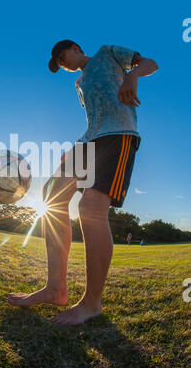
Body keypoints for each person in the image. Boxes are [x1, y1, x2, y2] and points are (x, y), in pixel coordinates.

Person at [8, 40, 158, 325]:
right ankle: (55, 289)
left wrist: (132, 75)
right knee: (52, 194)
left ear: (74, 48)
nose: (61, 64)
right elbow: (94, 116)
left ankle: (91, 304)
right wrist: (78, 147)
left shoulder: (107, 53)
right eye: (58, 63)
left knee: (91, 206)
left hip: (119, 134)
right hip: (89, 140)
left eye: (61, 57)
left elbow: (150, 63)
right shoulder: (78, 83)